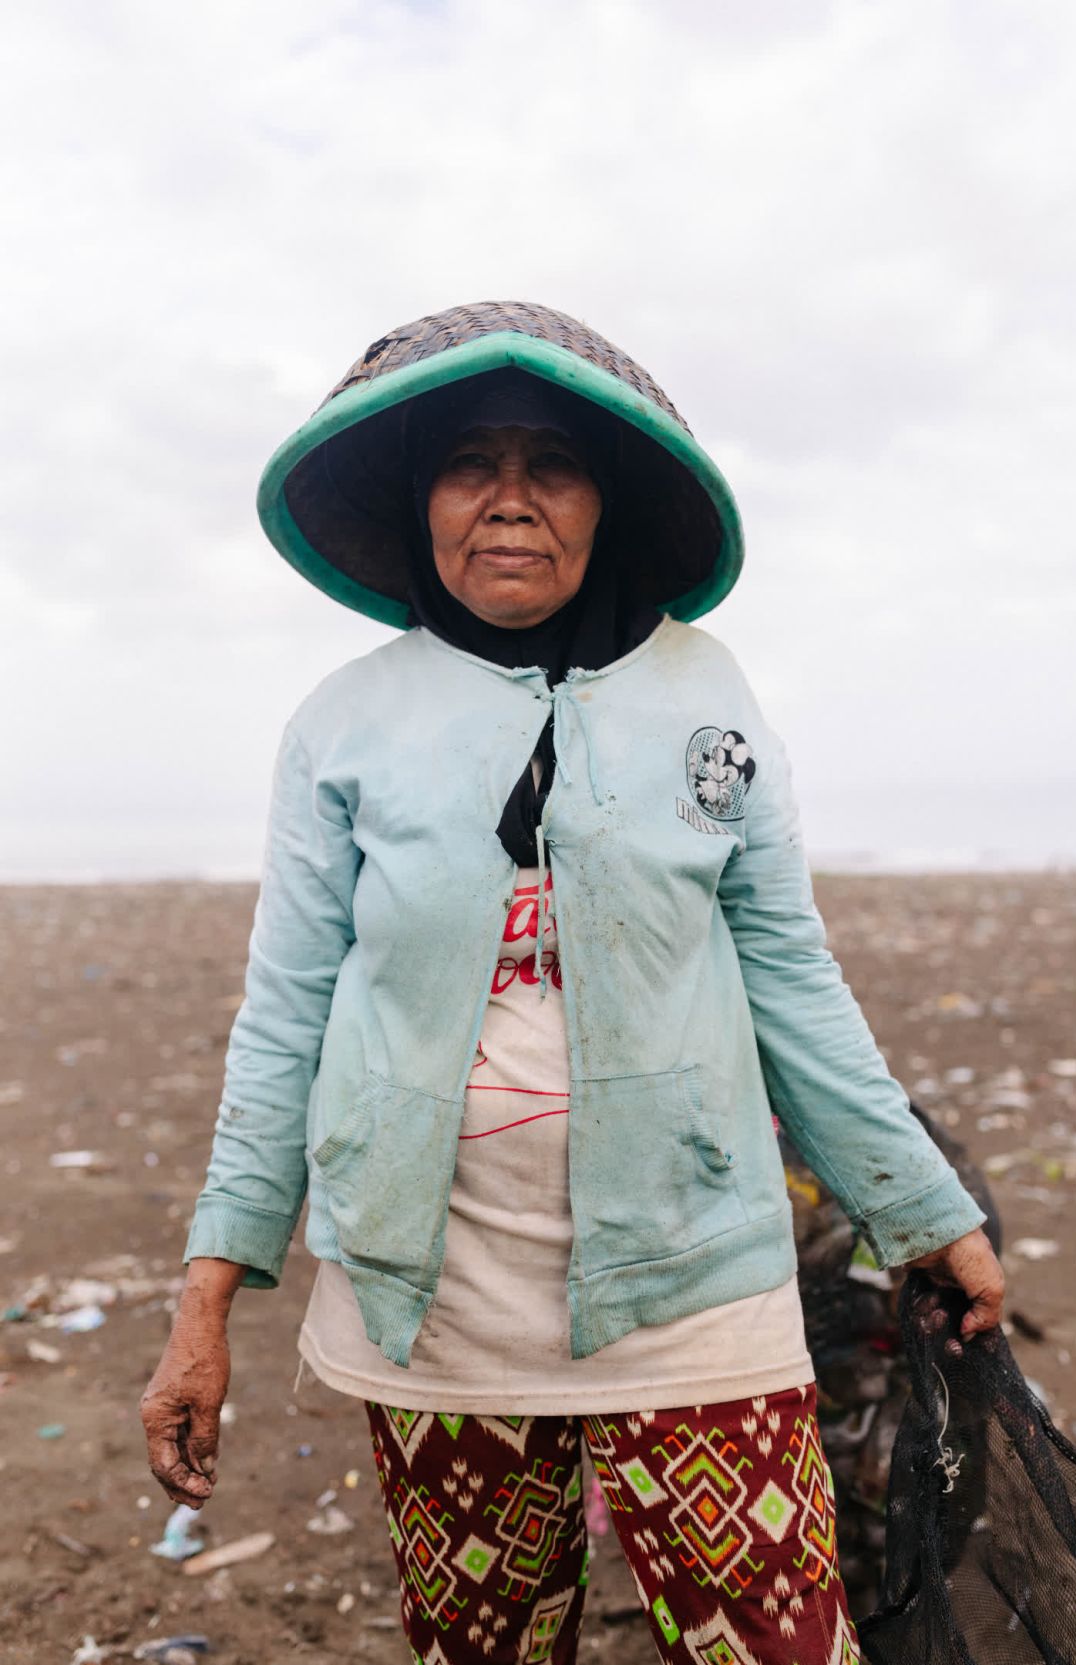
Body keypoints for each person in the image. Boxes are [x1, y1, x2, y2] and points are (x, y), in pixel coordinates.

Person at [141, 301, 1004, 1664]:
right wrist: (206, 1299)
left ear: (606, 502)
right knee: (482, 1646)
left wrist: (923, 1210)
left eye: (549, 465)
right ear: (418, 498)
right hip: (431, 1301)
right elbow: (286, 1011)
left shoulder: (705, 697)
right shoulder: (342, 724)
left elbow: (791, 981)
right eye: (467, 463)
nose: (507, 501)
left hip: (696, 1278)